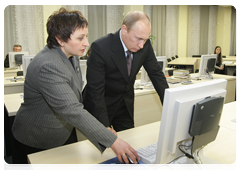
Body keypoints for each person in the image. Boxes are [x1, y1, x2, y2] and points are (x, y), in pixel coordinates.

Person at [12, 8, 139, 170]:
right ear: (60, 39)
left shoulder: (70, 55)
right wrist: (112, 141)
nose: (86, 43)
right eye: (80, 38)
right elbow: (72, 110)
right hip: (37, 139)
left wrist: (101, 130)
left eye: (85, 36)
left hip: (63, 132)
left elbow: (75, 98)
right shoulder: (48, 65)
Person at [83, 11, 169, 132]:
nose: (141, 45)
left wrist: (171, 107)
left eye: (145, 40)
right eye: (138, 39)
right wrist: (104, 127)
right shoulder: (101, 47)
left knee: (129, 143)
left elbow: (156, 75)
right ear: (124, 29)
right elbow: (95, 90)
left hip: (124, 105)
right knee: (103, 147)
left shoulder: (145, 45)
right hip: (101, 104)